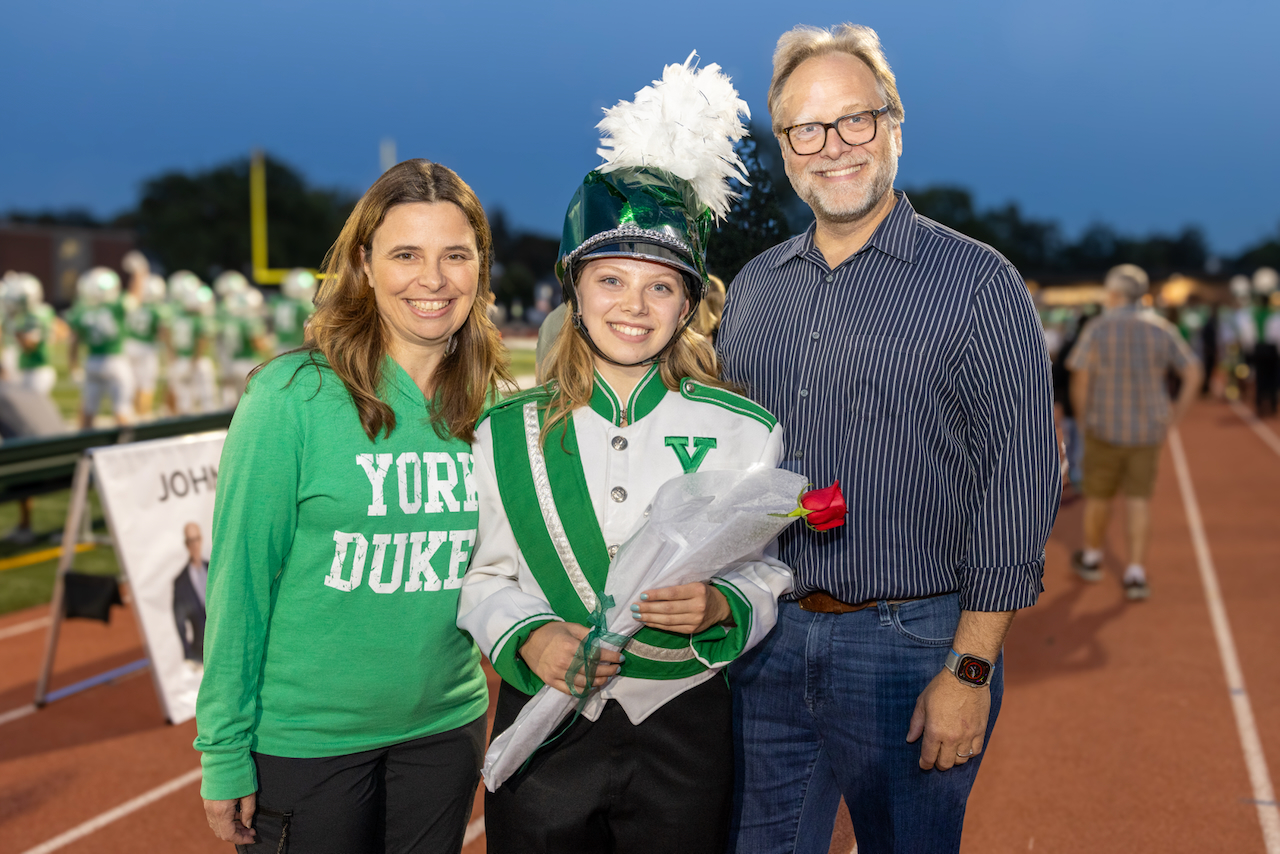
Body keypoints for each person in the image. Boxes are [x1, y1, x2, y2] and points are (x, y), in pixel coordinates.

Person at [715, 24, 1061, 854]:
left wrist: (969, 670)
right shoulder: (756, 288)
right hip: (767, 641)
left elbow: (1018, 483)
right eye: (806, 128)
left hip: (913, 646)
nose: (832, 147)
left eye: (854, 120)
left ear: (894, 124)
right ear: (785, 148)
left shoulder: (978, 282)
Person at [457, 55, 792, 854]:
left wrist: (723, 607)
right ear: (574, 292)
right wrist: (529, 636)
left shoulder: (743, 427)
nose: (633, 307)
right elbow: (481, 573)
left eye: (660, 287)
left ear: (690, 302)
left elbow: (766, 569)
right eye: (610, 281)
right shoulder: (504, 429)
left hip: (683, 726)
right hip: (546, 716)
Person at [195, 159, 512, 854]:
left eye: (454, 256)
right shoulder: (290, 397)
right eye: (406, 255)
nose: (433, 280)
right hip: (307, 741)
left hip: (446, 730)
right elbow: (240, 583)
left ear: (479, 269)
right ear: (364, 265)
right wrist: (222, 750)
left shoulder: (495, 408)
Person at [1068, 264, 1203, 599]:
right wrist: (1174, 417)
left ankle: (1093, 556)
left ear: (1114, 294)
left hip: (1104, 427)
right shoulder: (1162, 328)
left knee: (1098, 497)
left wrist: (1084, 421)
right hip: (1146, 431)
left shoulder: (1098, 328)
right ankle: (1135, 573)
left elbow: (1081, 377)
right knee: (1138, 500)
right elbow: (1194, 373)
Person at [65, 267, 135, 430]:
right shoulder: (115, 305)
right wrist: (140, 272)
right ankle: (128, 447)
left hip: (92, 362)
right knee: (122, 409)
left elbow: (74, 342)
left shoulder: (81, 310)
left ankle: (83, 447)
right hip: (115, 360)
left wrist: (73, 365)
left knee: (88, 410)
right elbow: (135, 297)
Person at [173, 521, 209, 666]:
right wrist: (189, 653)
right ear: (186, 544)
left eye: (197, 539)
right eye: (191, 541)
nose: (195, 545)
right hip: (200, 651)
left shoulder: (214, 569)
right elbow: (179, 621)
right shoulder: (181, 582)